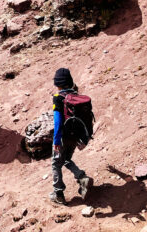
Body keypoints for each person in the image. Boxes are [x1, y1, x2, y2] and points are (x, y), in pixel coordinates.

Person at [50, 67, 92, 204]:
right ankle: (81, 177)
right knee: (66, 159)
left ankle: (58, 193)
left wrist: (56, 141)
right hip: (75, 137)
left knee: (56, 163)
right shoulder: (76, 96)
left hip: (62, 137)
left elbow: (57, 122)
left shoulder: (58, 98)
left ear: (58, 84)